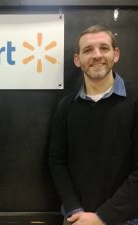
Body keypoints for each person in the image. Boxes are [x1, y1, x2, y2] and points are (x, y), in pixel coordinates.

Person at [49, 24, 138, 225]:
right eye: (88, 50)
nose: (96, 55)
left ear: (115, 54)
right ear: (77, 60)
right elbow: (57, 162)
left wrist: (102, 217)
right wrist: (75, 209)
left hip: (126, 219)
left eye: (104, 48)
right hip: (77, 219)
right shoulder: (66, 107)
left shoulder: (134, 102)